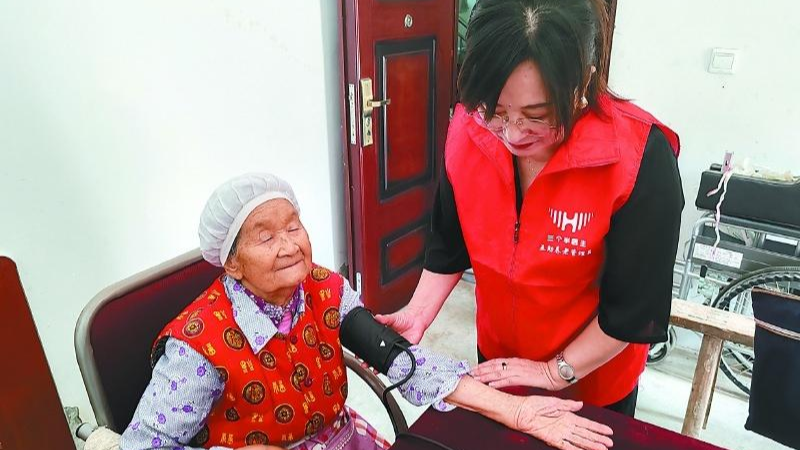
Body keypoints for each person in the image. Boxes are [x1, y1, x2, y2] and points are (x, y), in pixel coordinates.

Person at [120, 173, 614, 450]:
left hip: (340, 440)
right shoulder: (197, 347)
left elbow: (401, 359)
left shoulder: (323, 289)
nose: (289, 245)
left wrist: (516, 409)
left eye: (293, 227)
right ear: (231, 263)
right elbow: (141, 445)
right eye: (265, 237)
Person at [377, 0, 684, 417]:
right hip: (500, 365)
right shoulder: (469, 129)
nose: (512, 133)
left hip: (591, 384)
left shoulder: (638, 158)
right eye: (496, 111)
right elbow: (449, 242)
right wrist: (417, 313)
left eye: (537, 116)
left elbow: (634, 311)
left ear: (584, 82)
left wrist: (553, 373)